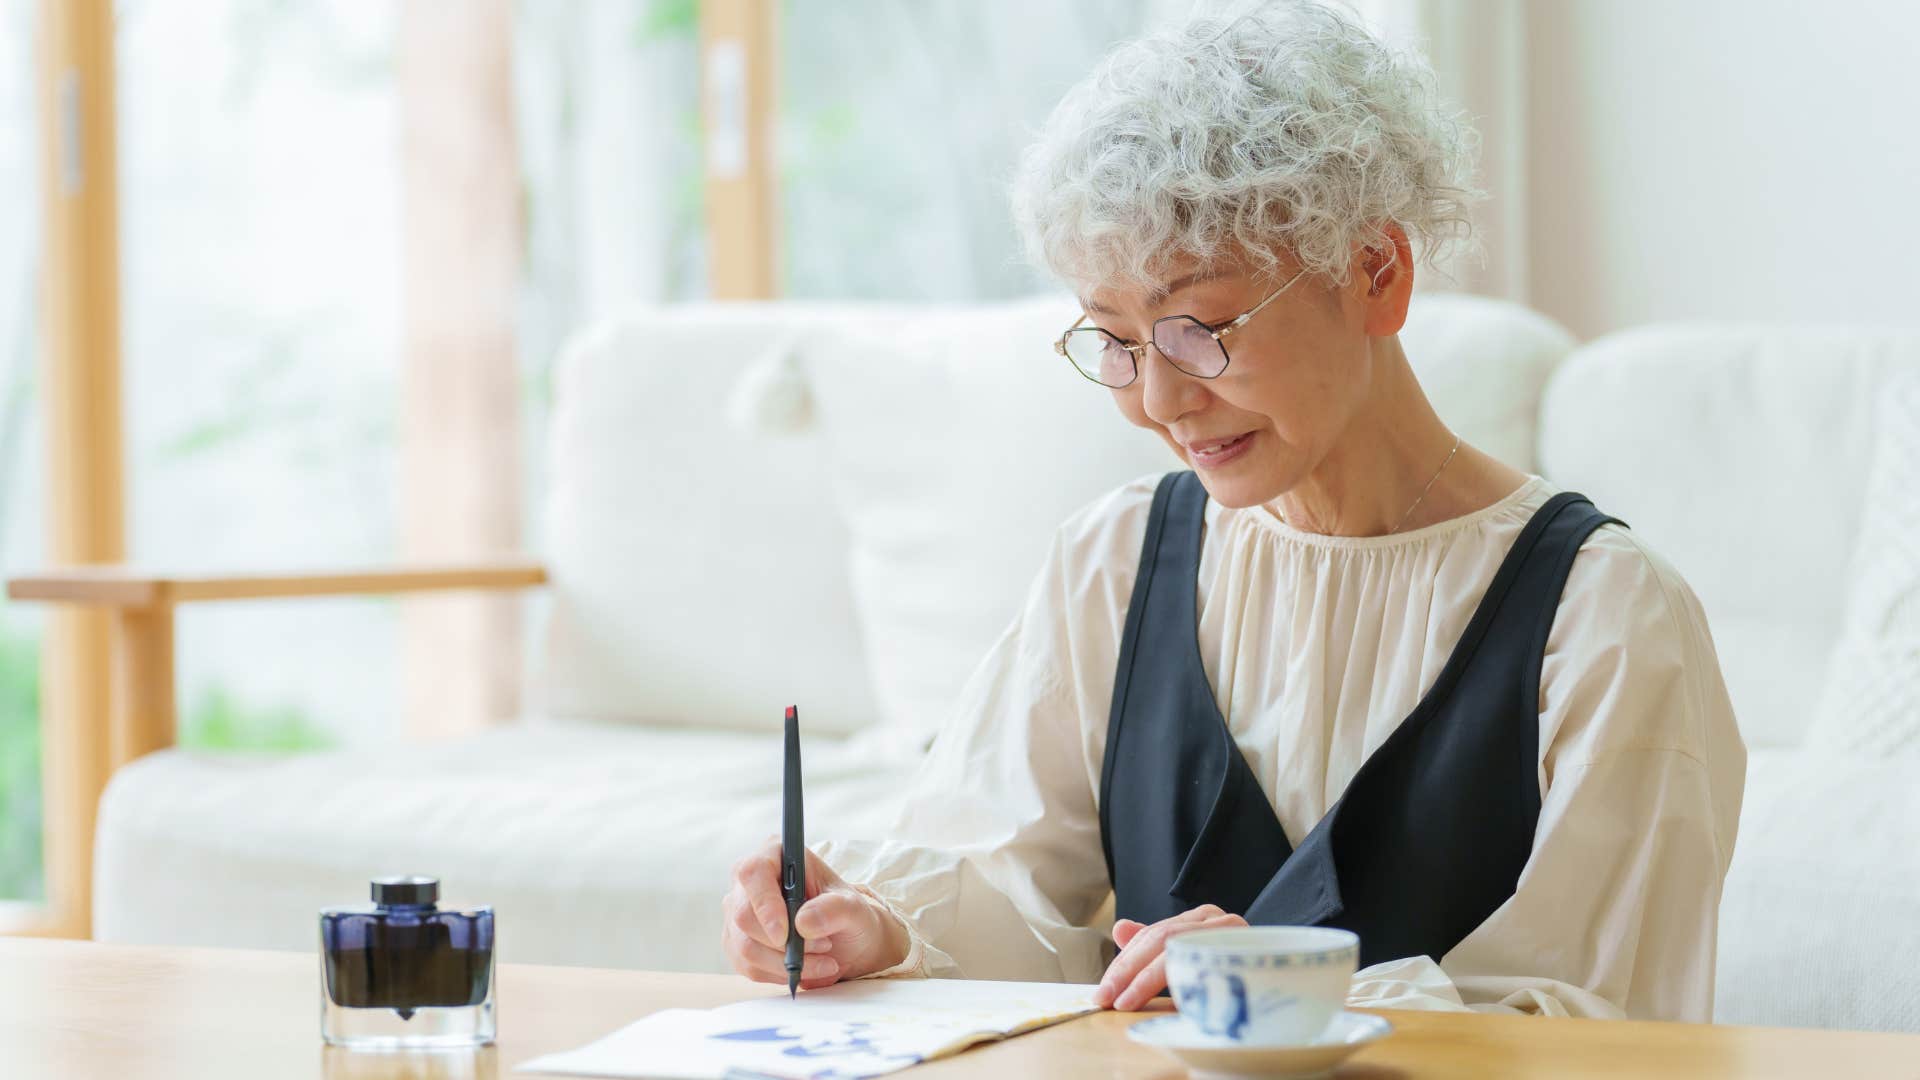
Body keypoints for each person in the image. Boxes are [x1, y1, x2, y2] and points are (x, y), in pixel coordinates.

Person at [720, 0, 1744, 1022]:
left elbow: (1605, 1015)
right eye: (1114, 339)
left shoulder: (1606, 618)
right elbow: (1003, 887)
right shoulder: (1118, 561)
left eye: (1201, 328)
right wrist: (879, 926)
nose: (1158, 403)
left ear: (1376, 274)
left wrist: (1290, 992)